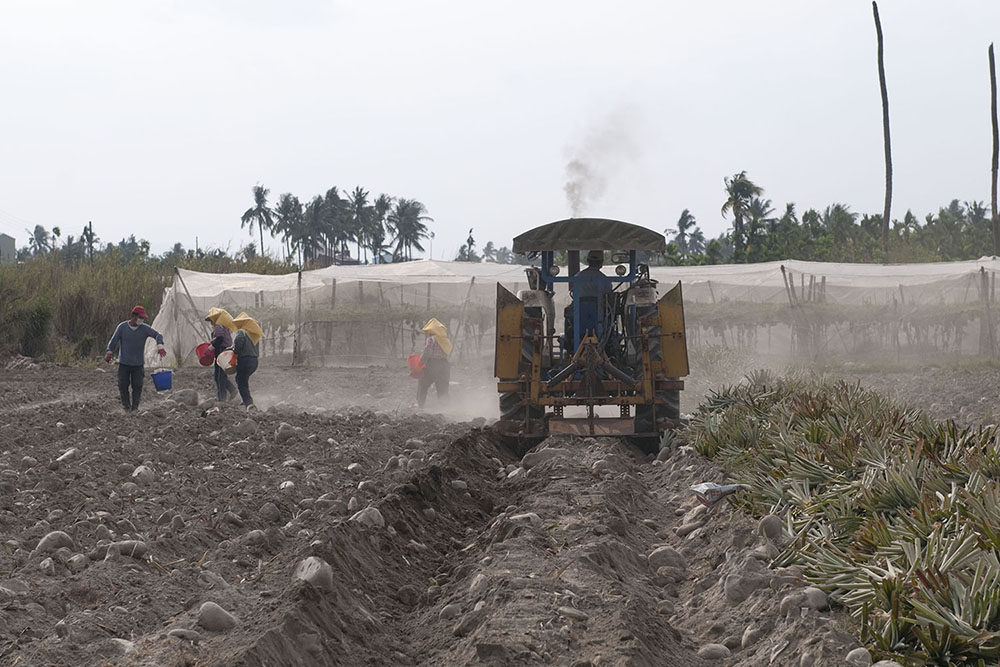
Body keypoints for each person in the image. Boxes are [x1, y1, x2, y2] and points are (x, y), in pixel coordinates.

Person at [105, 305, 166, 412]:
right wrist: (109, 352)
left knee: (137, 386)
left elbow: (158, 335)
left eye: (142, 318)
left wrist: (160, 345)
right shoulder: (122, 327)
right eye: (140, 317)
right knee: (123, 385)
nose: (141, 320)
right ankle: (126, 407)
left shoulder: (144, 329)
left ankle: (135, 408)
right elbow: (114, 340)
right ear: (133, 316)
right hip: (124, 363)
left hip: (138, 364)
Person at [417, 318, 452, 408]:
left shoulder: (431, 339)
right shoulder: (445, 340)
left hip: (432, 365)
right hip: (444, 365)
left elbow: (427, 352)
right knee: (443, 388)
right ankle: (445, 408)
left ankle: (421, 405)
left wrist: (420, 362)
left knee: (422, 384)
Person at [205, 307, 237, 402]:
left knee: (220, 376)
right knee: (218, 375)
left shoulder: (219, 326)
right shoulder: (223, 326)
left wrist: (212, 346)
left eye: (211, 319)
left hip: (222, 352)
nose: (210, 322)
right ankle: (232, 390)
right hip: (225, 352)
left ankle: (222, 398)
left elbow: (220, 339)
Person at [231, 311, 263, 409]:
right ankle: (245, 399)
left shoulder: (242, 332)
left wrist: (234, 354)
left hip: (245, 360)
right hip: (254, 361)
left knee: (241, 381)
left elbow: (239, 344)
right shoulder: (254, 334)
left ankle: (249, 403)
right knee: (243, 380)